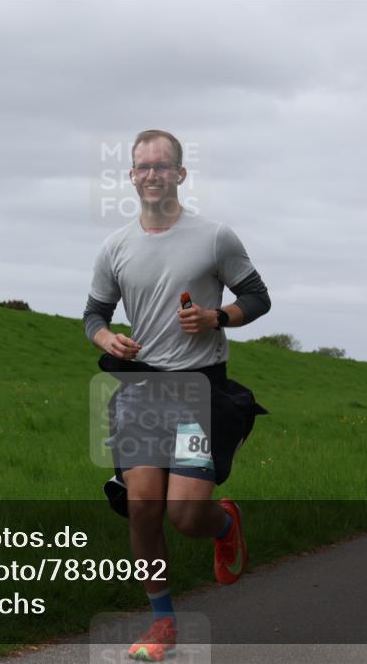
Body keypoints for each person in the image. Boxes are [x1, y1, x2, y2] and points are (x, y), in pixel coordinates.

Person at [83, 130, 271, 661]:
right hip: (141, 391)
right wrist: (104, 336)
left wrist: (218, 317)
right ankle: (163, 623)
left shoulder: (214, 238)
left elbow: (258, 297)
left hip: (196, 394)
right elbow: (93, 313)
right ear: (131, 176)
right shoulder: (115, 246)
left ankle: (225, 522)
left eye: (161, 166)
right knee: (143, 507)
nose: (151, 175)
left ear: (180, 174)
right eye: (142, 167)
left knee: (186, 516)